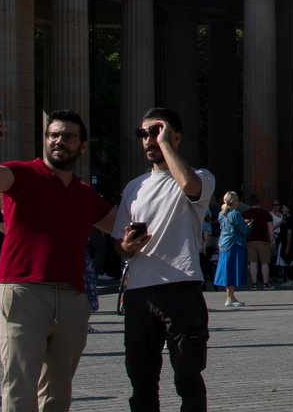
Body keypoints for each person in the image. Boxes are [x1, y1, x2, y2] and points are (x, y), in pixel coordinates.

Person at [0, 108, 118, 412]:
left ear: (82, 145)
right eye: (54, 135)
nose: (59, 141)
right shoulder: (21, 174)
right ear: (45, 140)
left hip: (72, 298)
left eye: (68, 137)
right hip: (23, 291)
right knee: (20, 384)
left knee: (58, 390)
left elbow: (120, 226)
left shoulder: (84, 193)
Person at [112, 107, 215, 412]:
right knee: (141, 380)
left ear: (176, 137)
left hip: (181, 287)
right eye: (142, 134)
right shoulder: (134, 187)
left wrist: (166, 145)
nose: (148, 140)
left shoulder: (200, 176)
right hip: (139, 291)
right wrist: (127, 247)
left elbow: (191, 188)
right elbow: (120, 243)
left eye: (156, 132)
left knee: (188, 377)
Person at [211, 194, 247, 307]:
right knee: (232, 271)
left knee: (227, 270)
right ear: (235, 201)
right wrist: (248, 224)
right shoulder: (235, 214)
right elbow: (244, 231)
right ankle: (230, 298)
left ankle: (230, 296)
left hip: (224, 244)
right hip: (234, 244)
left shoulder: (221, 213)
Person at [238, 196, 273, 291]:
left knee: (253, 263)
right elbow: (270, 227)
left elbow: (242, 227)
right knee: (265, 263)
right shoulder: (265, 213)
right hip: (263, 240)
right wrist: (272, 239)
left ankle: (254, 284)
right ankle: (266, 284)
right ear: (259, 203)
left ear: (250, 203)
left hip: (250, 241)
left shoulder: (245, 214)